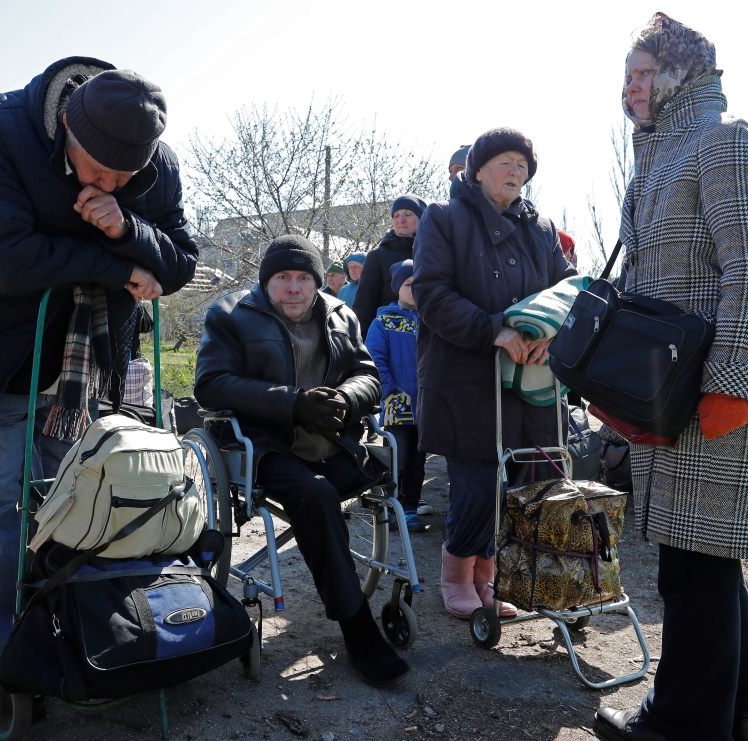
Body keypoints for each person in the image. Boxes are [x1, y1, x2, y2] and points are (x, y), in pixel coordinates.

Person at [0, 59, 199, 680]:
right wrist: (115, 265)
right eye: (101, 170)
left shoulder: (154, 166)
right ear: (67, 126)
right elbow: (5, 261)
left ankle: (64, 628)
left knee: (72, 501)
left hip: (85, 369)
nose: (114, 183)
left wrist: (127, 225)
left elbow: (180, 261)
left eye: (129, 175)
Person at [593, 14, 748, 741]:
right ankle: (733, 709)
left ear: (682, 74)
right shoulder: (658, 159)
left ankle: (677, 724)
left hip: (711, 396)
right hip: (673, 396)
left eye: (643, 72)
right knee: (707, 557)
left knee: (690, 568)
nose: (630, 87)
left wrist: (732, 380)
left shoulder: (726, 141)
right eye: (627, 75)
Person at [194, 234, 409, 687]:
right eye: (283, 278)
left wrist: (347, 400)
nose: (294, 288)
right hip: (267, 444)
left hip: (335, 439)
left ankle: (349, 583)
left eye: (304, 278)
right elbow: (211, 384)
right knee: (316, 495)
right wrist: (292, 403)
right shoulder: (231, 315)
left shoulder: (340, 312)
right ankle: (358, 628)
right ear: (266, 282)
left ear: (316, 282)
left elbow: (366, 373)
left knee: (381, 470)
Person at [412, 127, 577, 620]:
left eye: (523, 166)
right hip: (467, 375)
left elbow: (565, 288)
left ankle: (488, 577)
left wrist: (554, 334)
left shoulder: (542, 228)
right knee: (478, 480)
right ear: (477, 169)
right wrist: (492, 330)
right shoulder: (443, 219)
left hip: (529, 379)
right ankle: (456, 574)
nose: (515, 172)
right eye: (505, 162)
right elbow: (432, 294)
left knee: (520, 481)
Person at [364, 259, 428, 534]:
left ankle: (410, 509)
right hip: (398, 405)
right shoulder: (383, 322)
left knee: (418, 460)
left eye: (420, 284)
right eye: (409, 284)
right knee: (398, 457)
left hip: (427, 405)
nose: (415, 289)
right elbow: (374, 358)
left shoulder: (432, 319)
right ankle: (391, 508)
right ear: (397, 287)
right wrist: (389, 388)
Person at [351, 193, 427, 333]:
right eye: (396, 215)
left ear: (422, 217)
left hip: (431, 338)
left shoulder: (434, 252)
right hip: (390, 341)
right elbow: (364, 307)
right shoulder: (377, 256)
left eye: (408, 214)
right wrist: (362, 347)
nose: (401, 220)